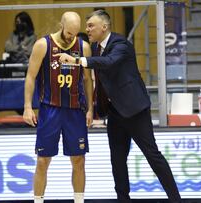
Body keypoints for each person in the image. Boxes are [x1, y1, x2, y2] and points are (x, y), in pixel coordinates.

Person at [56, 10, 182, 203]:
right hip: (115, 112)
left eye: (91, 26)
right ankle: (123, 200)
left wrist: (77, 61)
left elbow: (109, 62)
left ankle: (176, 200)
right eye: (87, 25)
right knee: (117, 160)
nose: (87, 29)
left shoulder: (120, 44)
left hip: (135, 109)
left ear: (104, 27)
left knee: (152, 155)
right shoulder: (96, 47)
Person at [22, 12, 93, 203]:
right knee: (43, 161)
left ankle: (79, 201)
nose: (72, 36)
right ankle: (38, 201)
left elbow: (88, 80)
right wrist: (28, 107)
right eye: (69, 32)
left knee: (79, 161)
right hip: (49, 110)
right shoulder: (43, 45)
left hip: (75, 110)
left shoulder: (83, 46)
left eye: (75, 33)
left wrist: (90, 109)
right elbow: (30, 76)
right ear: (61, 25)